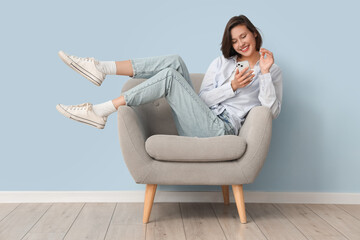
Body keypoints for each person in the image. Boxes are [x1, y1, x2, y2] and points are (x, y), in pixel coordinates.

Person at [56, 14, 282, 138]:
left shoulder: (272, 70)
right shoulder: (222, 63)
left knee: (170, 77)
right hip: (199, 118)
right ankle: (101, 68)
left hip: (221, 129)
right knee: (175, 61)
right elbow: (201, 100)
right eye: (234, 40)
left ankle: (100, 111)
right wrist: (230, 87)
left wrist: (263, 73)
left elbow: (270, 111)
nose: (241, 44)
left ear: (254, 33)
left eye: (243, 36)